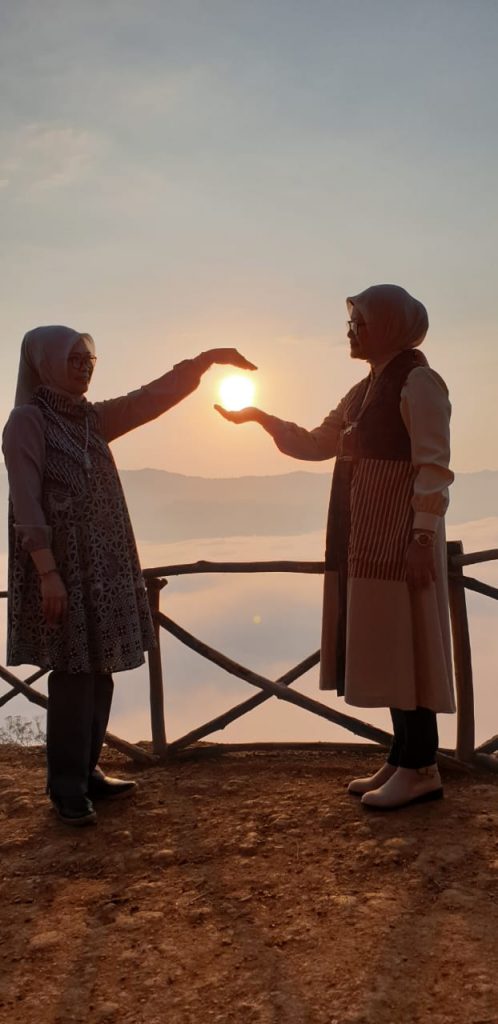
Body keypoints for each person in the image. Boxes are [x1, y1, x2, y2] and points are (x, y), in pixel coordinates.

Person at [3, 326, 256, 826]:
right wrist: (48, 573)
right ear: (45, 362)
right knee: (74, 674)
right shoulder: (26, 422)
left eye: (88, 357)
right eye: (73, 358)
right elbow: (25, 504)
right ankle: (66, 785)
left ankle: (89, 768)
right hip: (62, 568)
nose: (85, 366)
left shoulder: (92, 419)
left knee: (101, 670)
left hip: (105, 565)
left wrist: (202, 362)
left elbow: (149, 399)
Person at [216, 284, 455, 810]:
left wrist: (420, 538)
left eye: (361, 323)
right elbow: (317, 443)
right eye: (352, 323)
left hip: (399, 540)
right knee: (390, 646)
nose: (351, 331)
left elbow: (434, 466)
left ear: (391, 325)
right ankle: (402, 756)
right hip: (367, 538)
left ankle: (422, 768)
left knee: (407, 645)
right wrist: (259, 417)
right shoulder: (363, 390)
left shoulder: (419, 383)